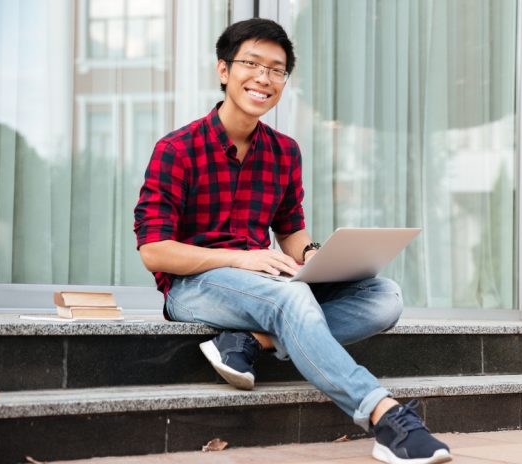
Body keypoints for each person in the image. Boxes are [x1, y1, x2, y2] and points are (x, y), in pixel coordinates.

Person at [134, 18, 451, 464]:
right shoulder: (178, 149)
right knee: (293, 299)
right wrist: (239, 259)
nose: (264, 78)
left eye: (277, 70)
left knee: (385, 297)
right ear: (223, 70)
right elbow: (154, 251)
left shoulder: (285, 152)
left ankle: (250, 342)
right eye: (252, 64)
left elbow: (289, 230)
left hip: (266, 283)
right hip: (195, 287)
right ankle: (385, 416)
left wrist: (313, 255)